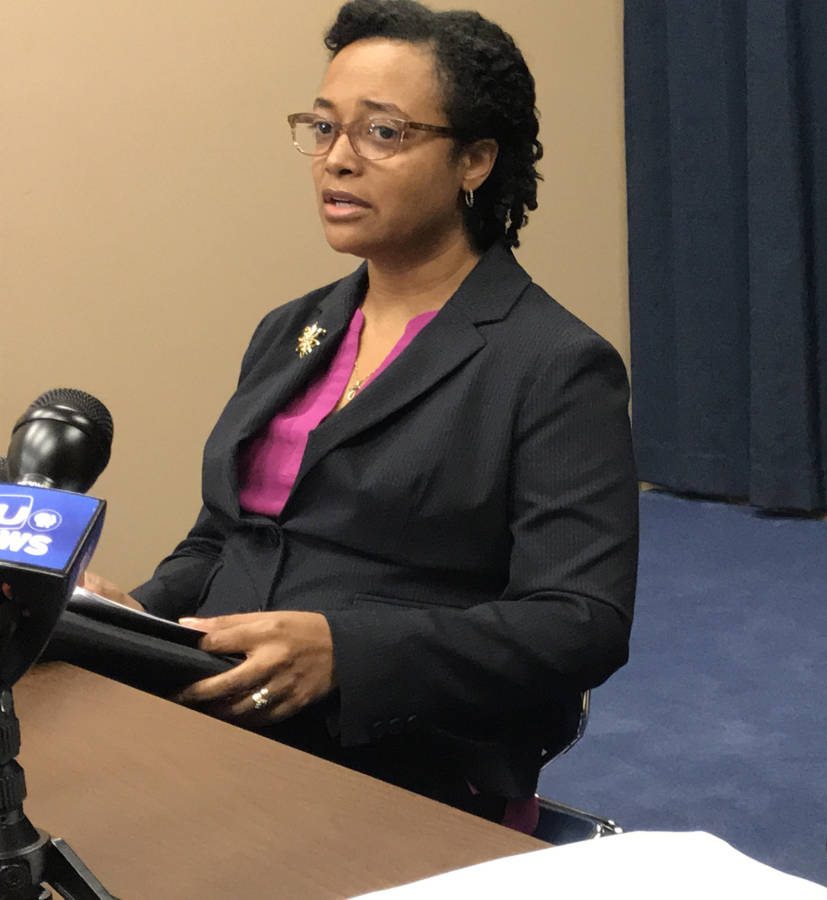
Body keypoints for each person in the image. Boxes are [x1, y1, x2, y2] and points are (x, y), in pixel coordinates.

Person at [79, 0, 637, 828]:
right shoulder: (291, 329)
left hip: (403, 756)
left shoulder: (554, 365)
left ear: (475, 160)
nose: (337, 161)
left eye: (382, 133)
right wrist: (139, 619)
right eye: (324, 127)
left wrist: (347, 654)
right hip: (221, 717)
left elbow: (580, 624)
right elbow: (224, 538)